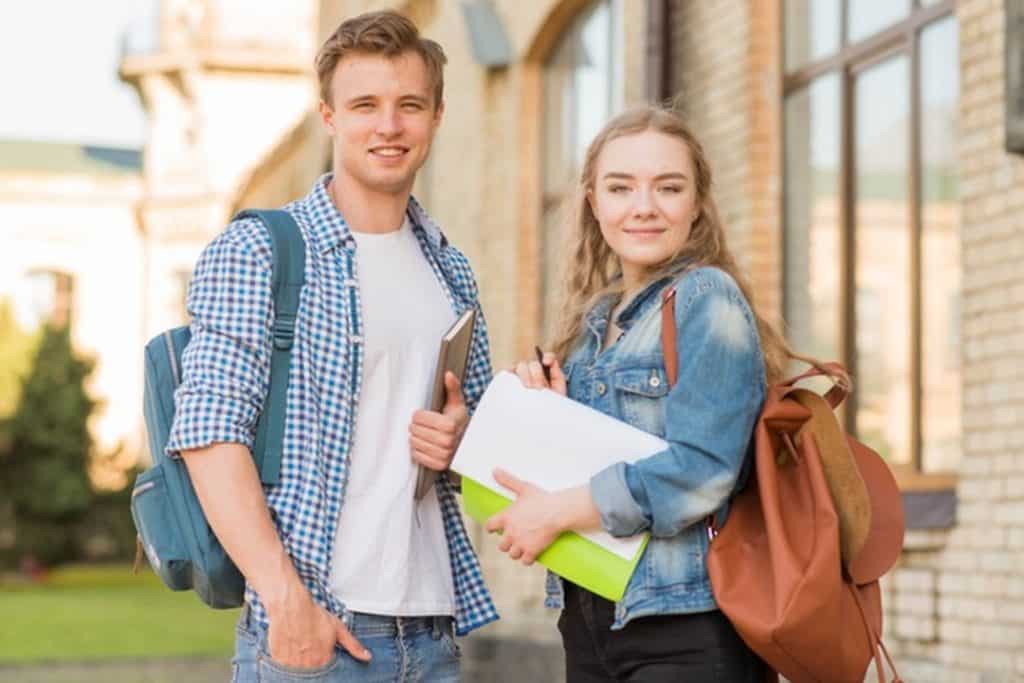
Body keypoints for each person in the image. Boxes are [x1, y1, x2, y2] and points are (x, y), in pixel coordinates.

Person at [166, 11, 497, 683]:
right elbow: (208, 433)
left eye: (409, 105)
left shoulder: (450, 269)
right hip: (317, 631)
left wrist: (464, 442)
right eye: (365, 105)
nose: (388, 125)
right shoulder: (260, 250)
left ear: (436, 115)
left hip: (433, 633)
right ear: (329, 117)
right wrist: (286, 600)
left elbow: (479, 456)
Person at [487, 106, 783, 681]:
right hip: (591, 618)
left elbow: (703, 468)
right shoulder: (596, 320)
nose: (643, 206)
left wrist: (557, 511)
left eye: (668, 187)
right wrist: (550, 418)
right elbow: (603, 460)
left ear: (696, 203)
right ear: (594, 203)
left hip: (683, 627)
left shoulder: (706, 298)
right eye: (620, 188)